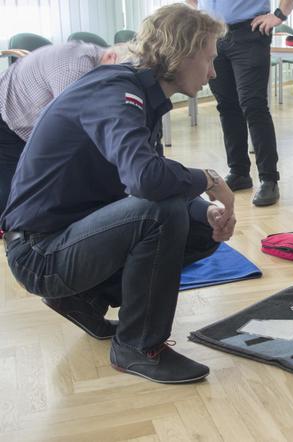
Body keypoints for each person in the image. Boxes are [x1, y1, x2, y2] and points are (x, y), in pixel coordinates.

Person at [1, 4, 234, 384]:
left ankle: (83, 299)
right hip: (38, 253)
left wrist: (204, 211)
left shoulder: (141, 96)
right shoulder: (113, 91)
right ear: (182, 53)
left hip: (68, 237)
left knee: (197, 222)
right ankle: (138, 346)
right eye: (208, 59)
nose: (212, 72)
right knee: (160, 212)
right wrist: (208, 179)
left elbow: (149, 178)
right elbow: (147, 181)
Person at [187, 0, 293, 207]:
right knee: (227, 107)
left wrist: (279, 15)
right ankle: (239, 172)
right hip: (212, 34)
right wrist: (200, 14)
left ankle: (269, 178)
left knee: (253, 105)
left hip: (250, 31)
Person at [0, 41, 128, 213]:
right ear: (112, 57)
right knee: (15, 200)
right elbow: (69, 127)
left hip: (26, 117)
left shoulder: (96, 58)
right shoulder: (75, 69)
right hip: (7, 117)